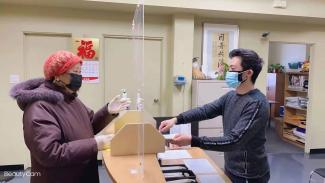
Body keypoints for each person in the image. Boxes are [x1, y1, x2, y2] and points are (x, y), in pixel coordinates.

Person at [10, 50, 130, 183]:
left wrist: (108, 111)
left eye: (80, 72)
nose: (79, 77)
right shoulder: (39, 106)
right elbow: (50, 153)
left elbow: (88, 126)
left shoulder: (71, 98)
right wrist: (95, 144)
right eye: (74, 73)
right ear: (57, 75)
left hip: (82, 174)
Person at [159, 48, 270, 183]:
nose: (228, 73)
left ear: (248, 73)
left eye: (232, 69)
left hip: (249, 175)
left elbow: (234, 141)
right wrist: (176, 119)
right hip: (231, 168)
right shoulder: (231, 96)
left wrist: (192, 140)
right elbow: (206, 110)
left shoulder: (257, 103)